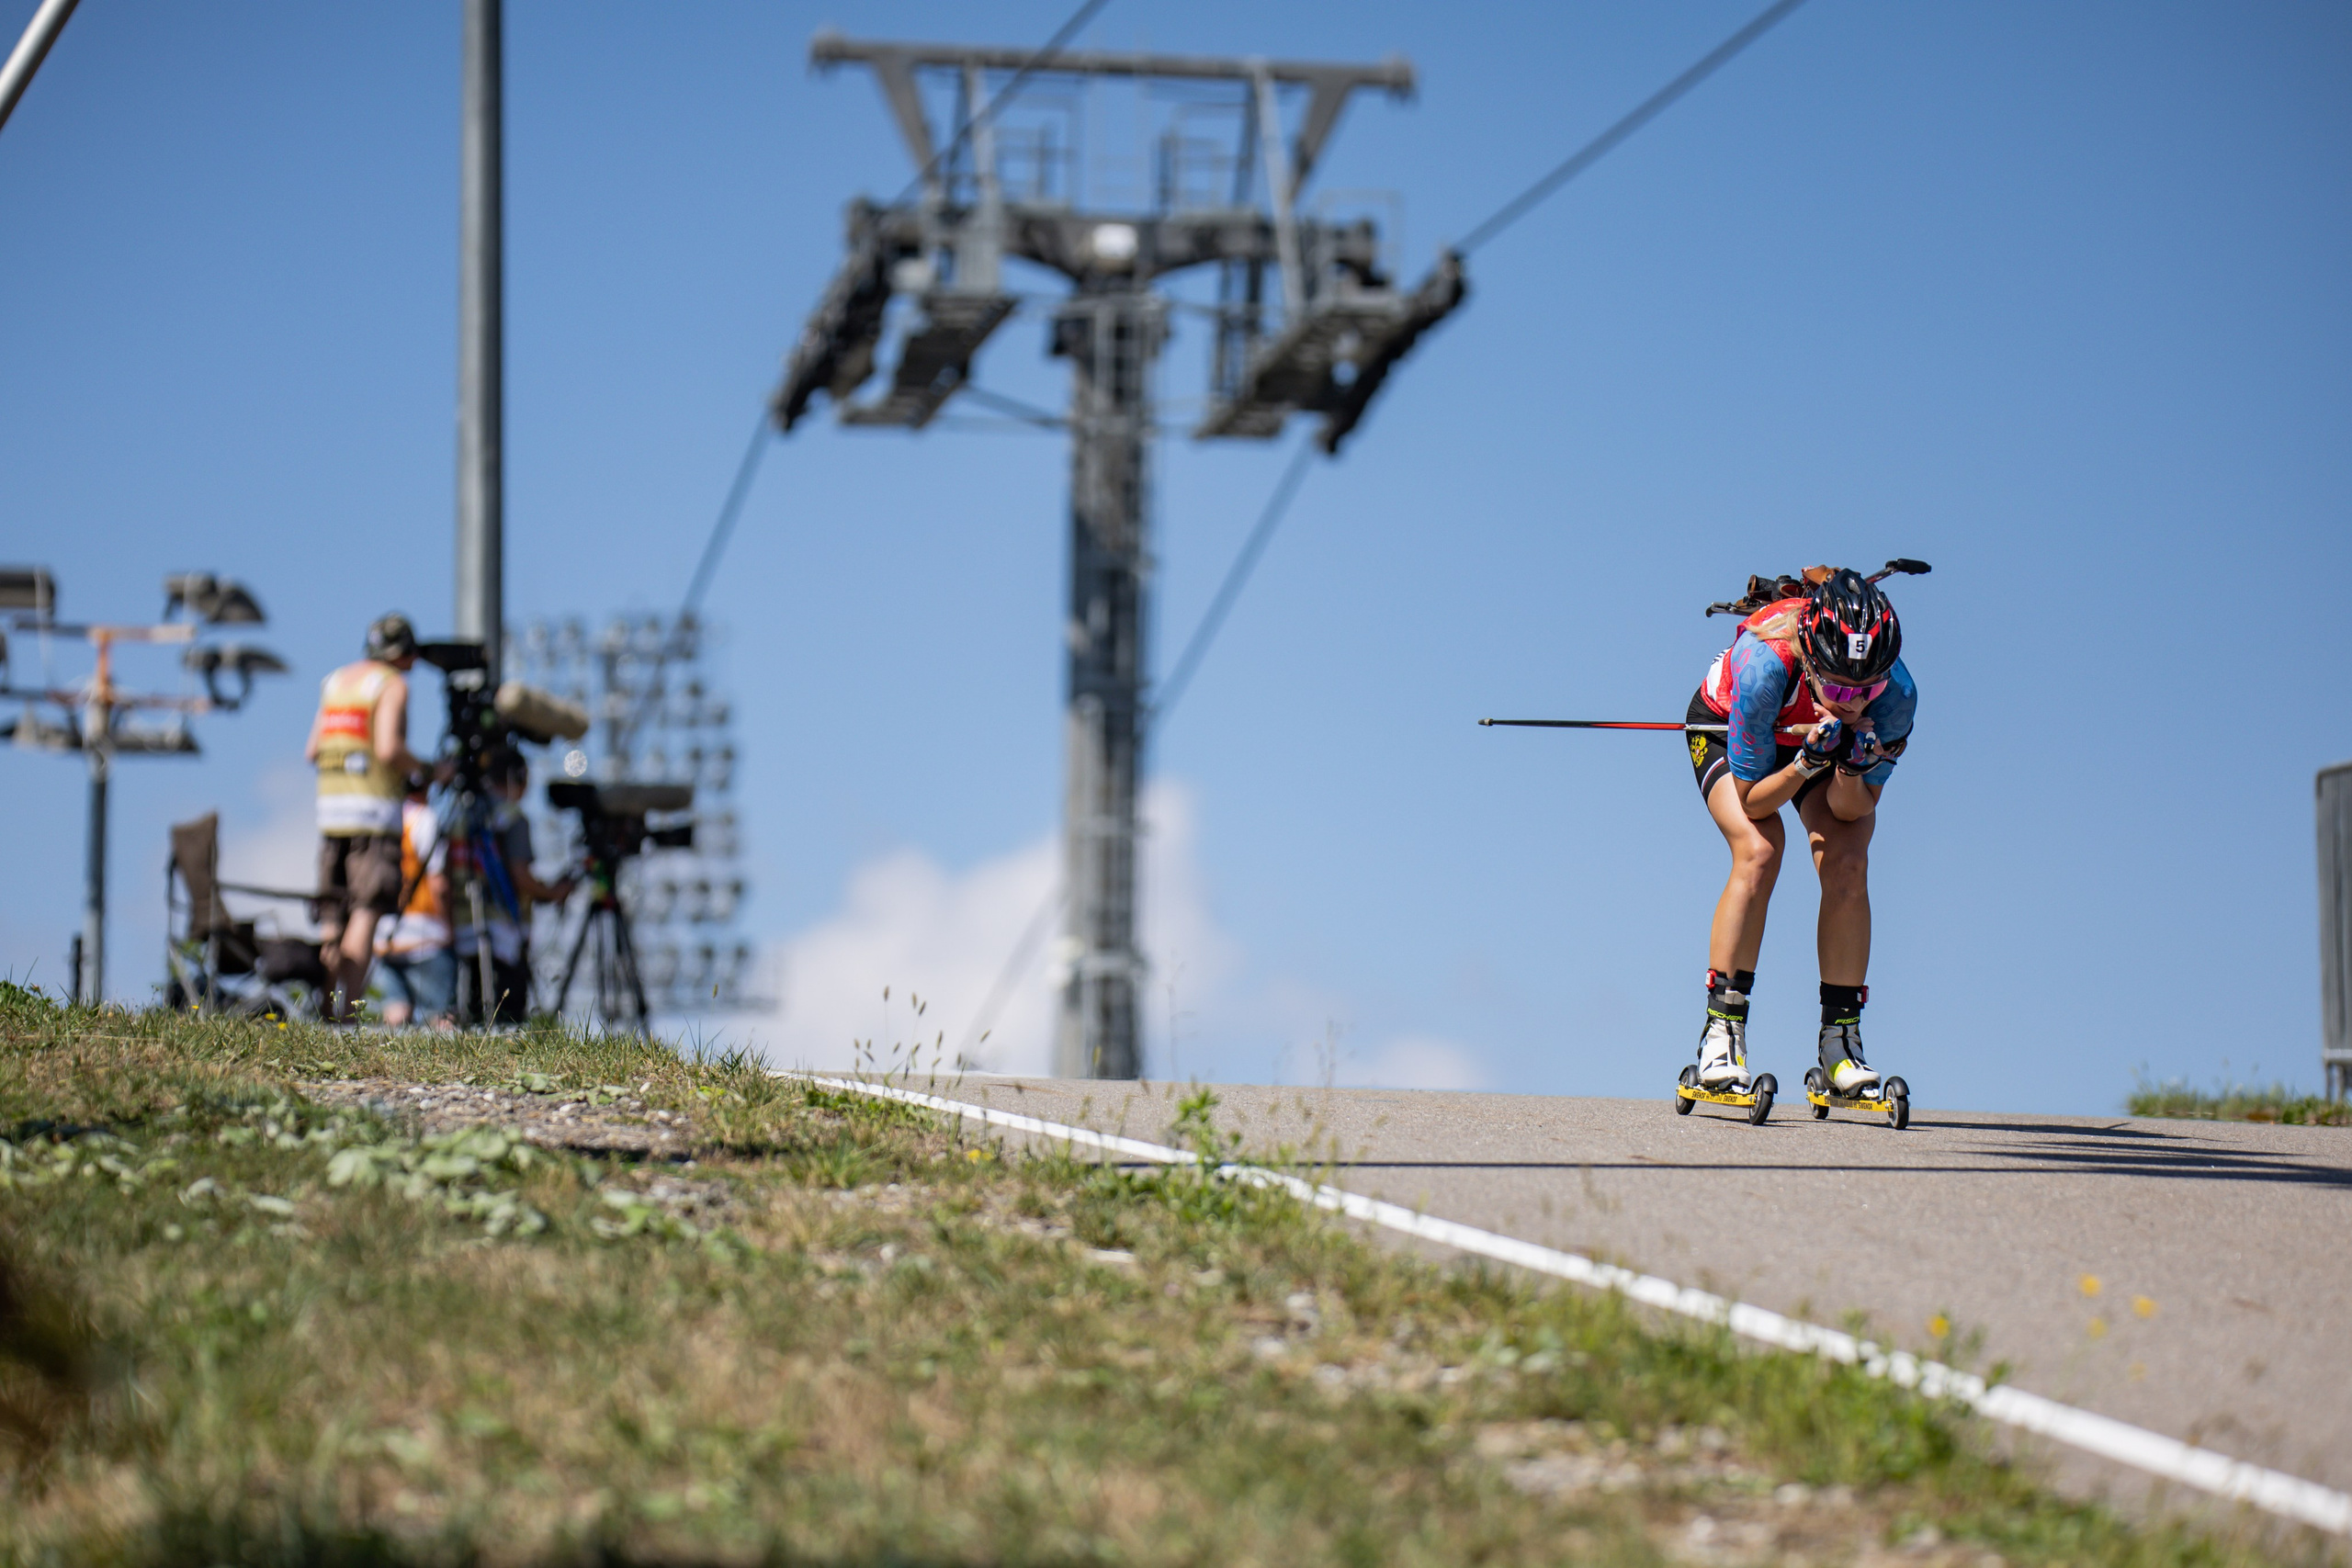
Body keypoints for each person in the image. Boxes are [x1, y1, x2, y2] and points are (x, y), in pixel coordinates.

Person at [1686, 568, 1917, 1096]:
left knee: (1848, 860)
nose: (1853, 702)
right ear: (1812, 661)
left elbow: (1850, 810)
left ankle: (1841, 1040)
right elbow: (1755, 799)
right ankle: (1721, 1032)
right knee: (1761, 849)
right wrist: (1807, 763)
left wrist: (1853, 769)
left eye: (1867, 688)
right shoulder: (1762, 669)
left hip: (1818, 746)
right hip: (1733, 728)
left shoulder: (1896, 697)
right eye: (1837, 686)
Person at [304, 613, 427, 1021]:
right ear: (404, 653)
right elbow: (389, 748)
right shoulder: (389, 685)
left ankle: (324, 1012)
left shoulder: (335, 681)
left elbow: (313, 750)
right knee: (367, 911)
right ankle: (346, 1017)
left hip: (330, 812)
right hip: (372, 814)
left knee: (332, 916)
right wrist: (428, 769)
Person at [452, 747, 575, 1024]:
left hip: (462, 924)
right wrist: (553, 892)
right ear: (516, 778)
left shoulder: (463, 815)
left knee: (474, 1011)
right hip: (504, 933)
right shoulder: (513, 818)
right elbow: (520, 876)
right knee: (507, 1016)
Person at [375, 780, 455, 1029]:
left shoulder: (383, 816)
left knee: (395, 1012)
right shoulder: (424, 818)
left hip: (386, 933)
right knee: (440, 1017)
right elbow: (437, 881)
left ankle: (385, 1066)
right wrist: (448, 925)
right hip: (425, 931)